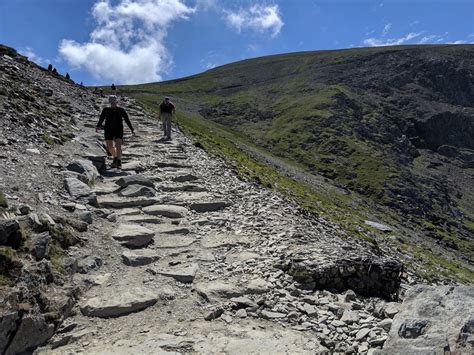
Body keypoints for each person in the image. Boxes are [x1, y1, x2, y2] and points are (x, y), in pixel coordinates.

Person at [96, 95, 134, 169]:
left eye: (114, 101)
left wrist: (131, 129)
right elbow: (101, 118)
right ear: (109, 102)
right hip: (108, 129)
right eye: (111, 102)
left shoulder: (121, 110)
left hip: (118, 129)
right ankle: (116, 157)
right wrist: (98, 126)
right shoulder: (106, 110)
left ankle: (119, 161)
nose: (113, 103)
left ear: (117, 101)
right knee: (109, 147)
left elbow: (127, 119)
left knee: (118, 145)